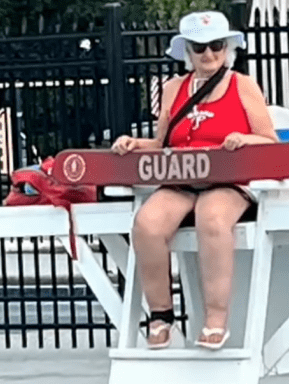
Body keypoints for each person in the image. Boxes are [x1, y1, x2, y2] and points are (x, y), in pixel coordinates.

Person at [111, 11, 279, 350]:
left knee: (213, 217)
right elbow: (163, 144)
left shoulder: (242, 85)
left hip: (229, 177)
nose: (208, 55)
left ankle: (215, 319)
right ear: (187, 50)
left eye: (216, 45)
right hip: (182, 176)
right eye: (199, 47)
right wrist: (133, 143)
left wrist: (244, 140)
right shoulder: (174, 89)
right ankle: (161, 315)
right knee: (147, 223)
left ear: (228, 47)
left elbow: (270, 141)